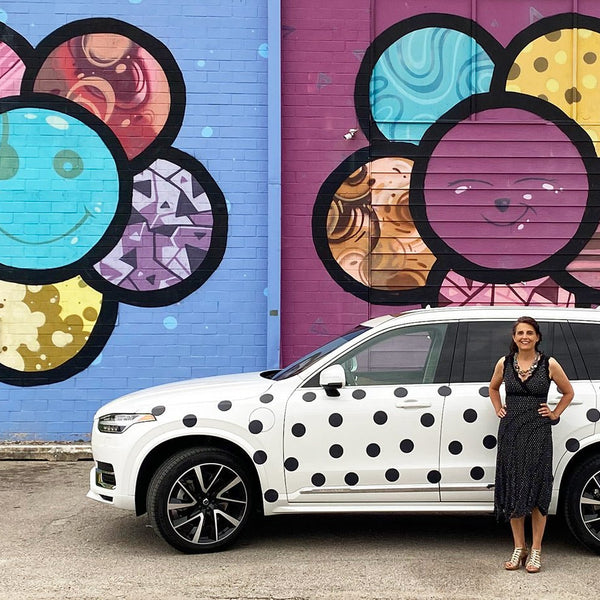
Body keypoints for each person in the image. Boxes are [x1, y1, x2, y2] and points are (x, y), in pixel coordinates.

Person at [488, 316, 574, 573]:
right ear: (514, 338)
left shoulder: (549, 364)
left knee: (537, 488)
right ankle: (519, 547)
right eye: (519, 333)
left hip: (538, 431)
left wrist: (555, 413)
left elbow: (568, 392)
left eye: (529, 333)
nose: (524, 337)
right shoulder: (504, 363)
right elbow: (493, 389)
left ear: (537, 337)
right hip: (511, 431)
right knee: (514, 488)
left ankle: (536, 549)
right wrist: (498, 408)